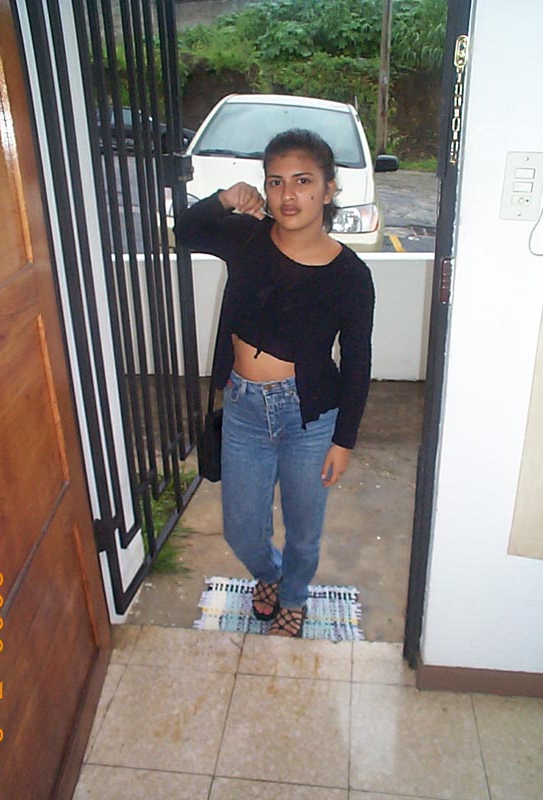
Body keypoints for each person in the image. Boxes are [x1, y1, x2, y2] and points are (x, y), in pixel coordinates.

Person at [175, 129, 374, 637]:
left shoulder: (350, 275)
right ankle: (269, 572)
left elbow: (357, 361)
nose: (288, 195)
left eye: (303, 181)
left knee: (304, 529)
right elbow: (187, 230)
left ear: (328, 189)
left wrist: (344, 440)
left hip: (309, 417)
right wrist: (225, 199)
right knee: (242, 530)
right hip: (243, 408)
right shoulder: (247, 238)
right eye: (276, 182)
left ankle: (293, 595)